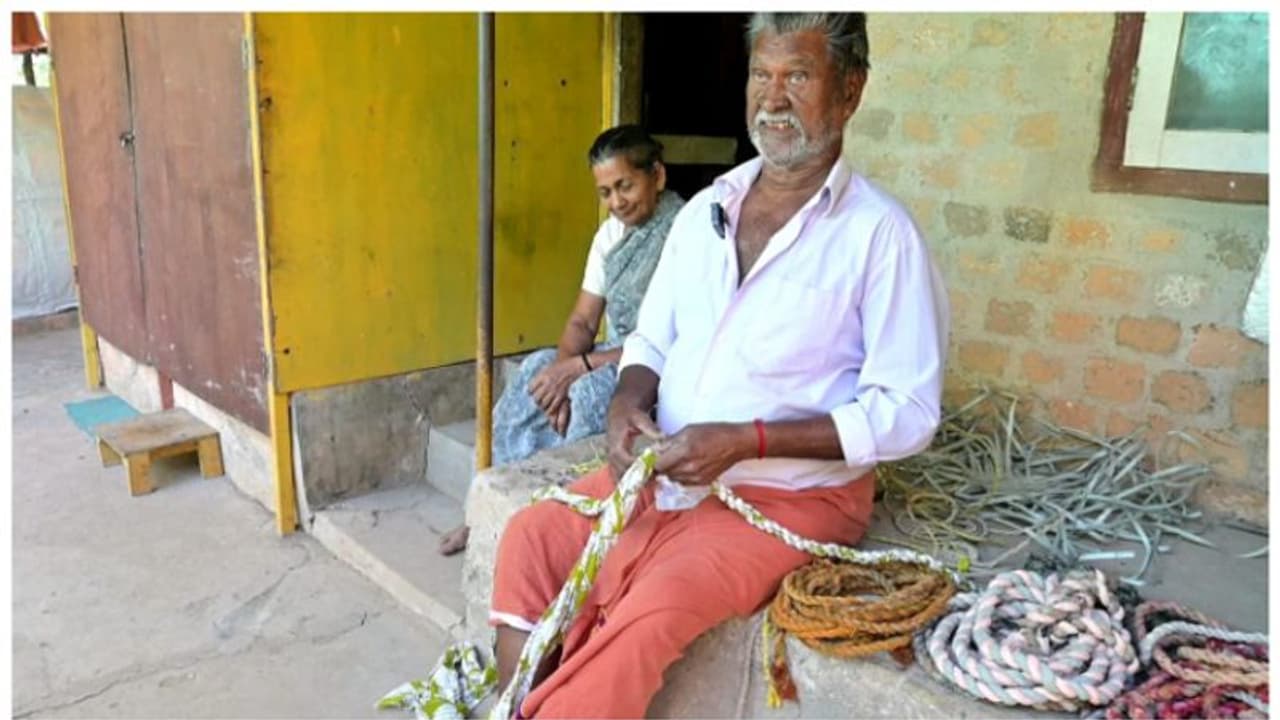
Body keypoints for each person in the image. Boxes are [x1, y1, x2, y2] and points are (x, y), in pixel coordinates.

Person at [487, 12, 950, 717]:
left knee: (655, 598)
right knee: (534, 535)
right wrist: (623, 406)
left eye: (799, 75)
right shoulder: (708, 210)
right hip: (667, 466)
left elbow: (907, 414)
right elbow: (649, 341)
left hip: (787, 494)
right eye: (761, 74)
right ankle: (513, 700)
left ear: (850, 91)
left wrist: (747, 441)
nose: (773, 98)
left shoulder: (880, 235)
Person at [438, 125, 685, 556]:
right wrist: (560, 377)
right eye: (605, 192)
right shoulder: (610, 236)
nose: (617, 202)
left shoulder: (686, 232)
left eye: (625, 185)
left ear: (657, 177)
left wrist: (579, 370)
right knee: (536, 370)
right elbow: (582, 321)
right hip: (611, 351)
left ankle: (536, 524)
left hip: (658, 363)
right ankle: (482, 511)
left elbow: (676, 337)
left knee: (590, 394)